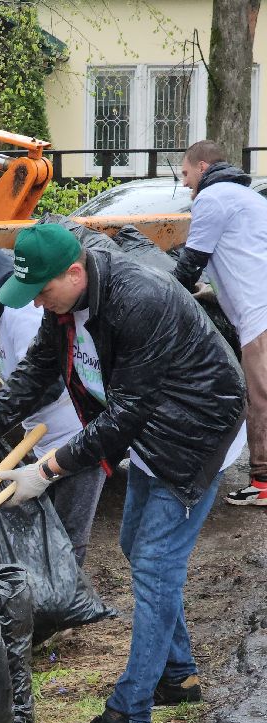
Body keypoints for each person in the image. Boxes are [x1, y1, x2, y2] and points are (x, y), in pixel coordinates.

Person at [0, 222, 246, 723]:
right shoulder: (64, 305)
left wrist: (48, 469)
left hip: (196, 430)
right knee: (135, 547)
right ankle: (178, 675)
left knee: (153, 565)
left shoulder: (137, 301)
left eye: (42, 291)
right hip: (153, 425)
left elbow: (128, 412)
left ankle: (130, 713)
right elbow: (38, 371)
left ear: (75, 272)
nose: (36, 303)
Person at [0, 237, 105, 565]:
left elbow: (44, 386)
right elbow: (23, 379)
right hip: (48, 438)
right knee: (49, 533)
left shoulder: (23, 315)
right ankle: (48, 596)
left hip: (76, 437)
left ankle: (64, 604)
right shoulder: (8, 315)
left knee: (67, 541)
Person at [175, 139, 267, 508]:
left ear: (202, 167)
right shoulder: (251, 199)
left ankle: (263, 483)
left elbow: (189, 262)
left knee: (259, 398)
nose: (184, 183)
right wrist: (212, 290)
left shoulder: (211, 199)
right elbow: (246, 255)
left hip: (257, 315)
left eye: (184, 173)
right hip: (260, 303)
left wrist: (165, 300)